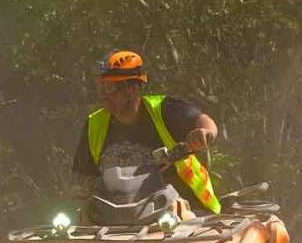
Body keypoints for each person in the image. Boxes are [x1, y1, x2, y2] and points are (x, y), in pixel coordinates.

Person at [70, 50, 222, 214]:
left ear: (134, 88)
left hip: (185, 214)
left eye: (109, 88)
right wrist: (85, 188)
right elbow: (85, 175)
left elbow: (202, 121)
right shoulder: (95, 124)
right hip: (119, 220)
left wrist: (204, 133)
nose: (102, 95)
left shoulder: (164, 110)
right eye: (99, 88)